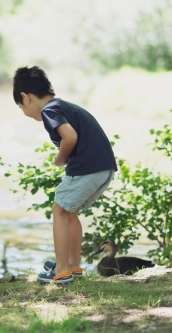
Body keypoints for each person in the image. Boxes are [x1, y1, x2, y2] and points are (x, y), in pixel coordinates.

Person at [12, 66, 117, 284]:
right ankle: (72, 265)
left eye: (21, 107)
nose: (25, 113)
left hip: (88, 167)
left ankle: (61, 270)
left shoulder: (49, 110)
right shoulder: (64, 106)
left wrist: (60, 158)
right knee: (69, 213)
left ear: (26, 97)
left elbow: (70, 137)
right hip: (104, 167)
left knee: (59, 211)